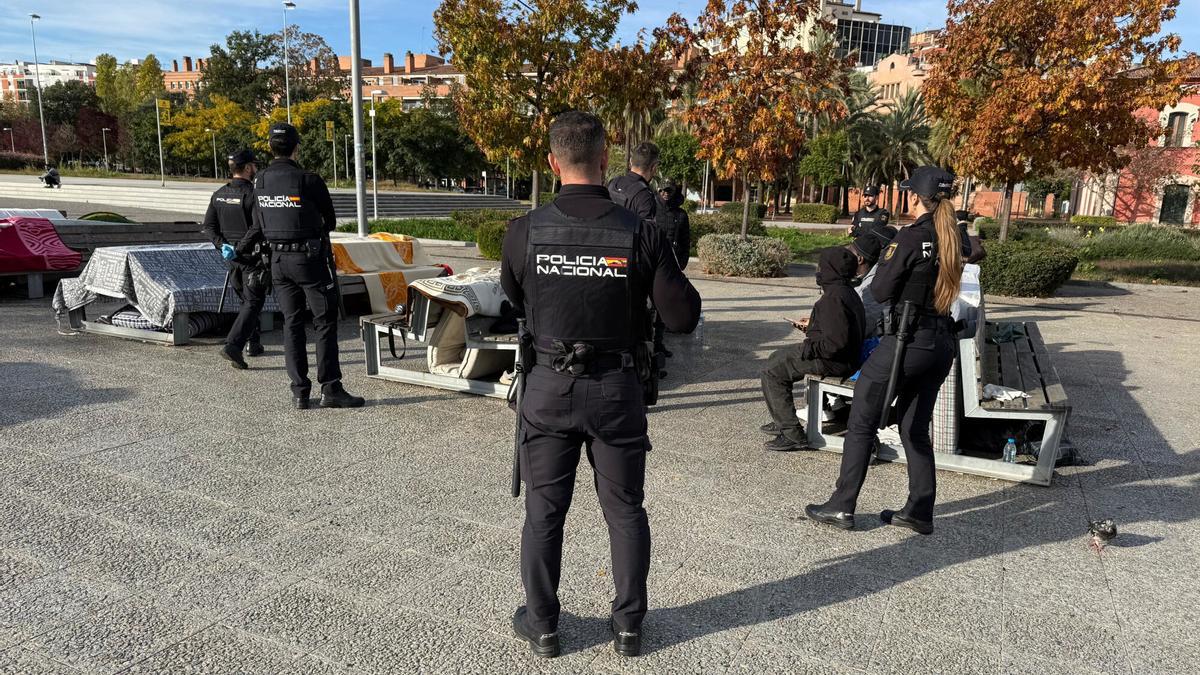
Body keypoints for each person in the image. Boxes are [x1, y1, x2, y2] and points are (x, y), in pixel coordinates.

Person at [501, 111, 701, 659]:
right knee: (625, 509)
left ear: (551, 161)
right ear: (607, 159)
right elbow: (682, 317)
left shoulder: (525, 231)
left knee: (544, 509)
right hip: (616, 388)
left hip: (548, 385)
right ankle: (629, 627)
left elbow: (515, 301)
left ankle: (543, 623)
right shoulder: (641, 231)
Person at [805, 165, 963, 536]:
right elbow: (976, 252)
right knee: (914, 428)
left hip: (907, 341)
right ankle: (919, 510)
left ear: (913, 197)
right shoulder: (954, 235)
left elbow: (878, 292)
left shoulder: (911, 238)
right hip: (941, 343)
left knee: (861, 421)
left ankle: (842, 506)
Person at [239, 122, 363, 410]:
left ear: (270, 148)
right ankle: (330, 388)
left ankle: (299, 392)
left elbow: (258, 225)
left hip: (278, 262)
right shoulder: (309, 180)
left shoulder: (260, 181)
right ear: (296, 147)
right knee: (323, 322)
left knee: (292, 323)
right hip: (310, 260)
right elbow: (329, 221)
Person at [759, 247, 866, 451]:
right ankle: (783, 418)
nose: (818, 270)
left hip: (833, 360)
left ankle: (791, 432)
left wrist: (808, 346)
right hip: (840, 356)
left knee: (772, 370)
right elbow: (837, 330)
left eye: (821, 266)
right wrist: (813, 327)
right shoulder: (845, 291)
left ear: (831, 269)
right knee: (777, 358)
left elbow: (834, 343)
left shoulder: (834, 297)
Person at [204, 149, 265, 368]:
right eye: (254, 165)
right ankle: (234, 345)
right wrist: (239, 248)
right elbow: (258, 227)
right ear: (248, 168)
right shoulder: (253, 194)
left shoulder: (219, 194)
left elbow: (209, 226)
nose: (255, 168)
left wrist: (224, 247)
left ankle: (253, 343)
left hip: (231, 258)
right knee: (253, 302)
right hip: (252, 257)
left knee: (246, 301)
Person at [607, 142, 660, 227]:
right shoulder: (645, 196)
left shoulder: (613, 183)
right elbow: (647, 236)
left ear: (631, 161)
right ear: (654, 167)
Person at [656, 183, 691, 270]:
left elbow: (685, 240)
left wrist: (682, 262)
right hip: (653, 259)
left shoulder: (681, 214)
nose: (666, 193)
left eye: (669, 191)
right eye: (664, 190)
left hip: (673, 262)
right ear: (659, 190)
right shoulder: (650, 210)